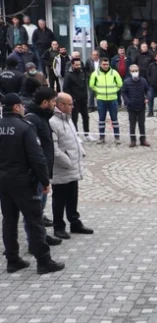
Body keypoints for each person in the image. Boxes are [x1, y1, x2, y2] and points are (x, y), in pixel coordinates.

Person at [0, 94, 64, 274]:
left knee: (9, 220)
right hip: (24, 181)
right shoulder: (24, 127)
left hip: (3, 181)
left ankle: (12, 260)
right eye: (21, 105)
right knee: (34, 220)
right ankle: (44, 261)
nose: (23, 108)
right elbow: (37, 157)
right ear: (16, 107)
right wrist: (45, 180)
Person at [50, 92, 93, 241]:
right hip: (61, 169)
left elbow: (75, 139)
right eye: (70, 104)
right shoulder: (52, 122)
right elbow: (54, 150)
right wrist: (68, 162)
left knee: (72, 197)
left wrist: (81, 153)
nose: (73, 107)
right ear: (61, 105)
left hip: (73, 167)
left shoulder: (68, 119)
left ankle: (74, 222)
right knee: (59, 199)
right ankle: (58, 226)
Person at [23, 87, 62, 247]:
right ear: (44, 103)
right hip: (36, 173)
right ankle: (34, 242)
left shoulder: (43, 116)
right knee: (33, 211)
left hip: (44, 170)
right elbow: (33, 149)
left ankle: (41, 236)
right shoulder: (33, 119)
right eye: (53, 101)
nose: (55, 105)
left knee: (40, 209)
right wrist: (40, 173)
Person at [90, 57, 122, 144]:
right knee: (101, 119)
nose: (105, 66)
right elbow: (92, 84)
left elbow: (120, 84)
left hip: (112, 99)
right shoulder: (95, 73)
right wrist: (99, 90)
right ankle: (101, 137)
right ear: (100, 64)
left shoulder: (114, 73)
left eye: (107, 64)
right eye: (104, 64)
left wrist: (114, 90)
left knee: (114, 119)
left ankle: (117, 137)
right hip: (101, 99)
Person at [121, 64, 151, 148]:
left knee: (142, 124)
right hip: (131, 107)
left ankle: (143, 139)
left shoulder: (143, 81)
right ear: (130, 72)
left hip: (141, 106)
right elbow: (123, 92)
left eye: (136, 71)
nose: (135, 72)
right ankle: (133, 140)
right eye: (133, 71)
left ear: (139, 71)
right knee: (132, 125)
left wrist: (147, 97)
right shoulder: (127, 82)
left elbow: (148, 89)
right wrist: (127, 101)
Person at [62, 58, 89, 135]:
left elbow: (84, 87)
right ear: (73, 65)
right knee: (74, 118)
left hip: (83, 100)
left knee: (86, 117)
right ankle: (75, 134)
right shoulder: (68, 75)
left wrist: (86, 97)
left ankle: (87, 134)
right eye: (77, 65)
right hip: (74, 101)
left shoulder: (82, 73)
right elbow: (65, 89)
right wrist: (71, 99)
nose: (78, 66)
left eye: (79, 64)